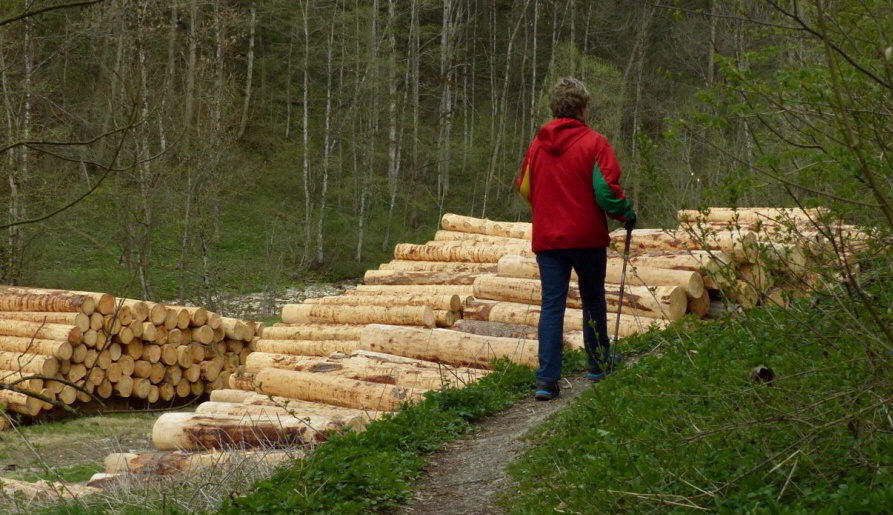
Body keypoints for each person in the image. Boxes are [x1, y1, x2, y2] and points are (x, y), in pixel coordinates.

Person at [516, 77, 636, 401]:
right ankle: (597, 365)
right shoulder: (595, 143)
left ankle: (546, 381)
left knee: (551, 306)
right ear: (584, 107)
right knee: (593, 298)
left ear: (555, 107)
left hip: (549, 238)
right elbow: (605, 193)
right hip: (586, 237)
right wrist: (626, 214)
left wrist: (549, 207)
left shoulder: (537, 145)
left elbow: (525, 187)